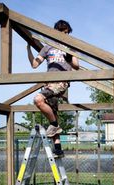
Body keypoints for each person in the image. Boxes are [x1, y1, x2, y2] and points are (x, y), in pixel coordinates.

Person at [27, 19, 79, 157]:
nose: (65, 35)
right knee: (53, 112)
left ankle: (54, 125)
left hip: (61, 83)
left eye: (67, 32)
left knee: (38, 99)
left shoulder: (70, 47)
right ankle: (58, 148)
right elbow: (34, 64)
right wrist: (28, 49)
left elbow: (76, 66)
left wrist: (70, 53)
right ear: (56, 32)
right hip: (49, 84)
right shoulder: (47, 47)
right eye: (63, 32)